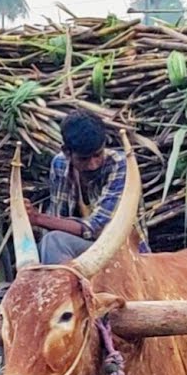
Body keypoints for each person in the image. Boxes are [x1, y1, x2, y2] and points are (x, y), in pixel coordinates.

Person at [23, 109, 150, 264]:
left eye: (97, 155)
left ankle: (61, 287)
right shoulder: (60, 165)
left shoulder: (120, 165)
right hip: (86, 252)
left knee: (54, 241)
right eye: (83, 159)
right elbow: (57, 218)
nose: (92, 165)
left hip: (123, 254)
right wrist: (22, 215)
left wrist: (37, 218)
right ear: (67, 152)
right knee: (46, 243)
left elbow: (97, 229)